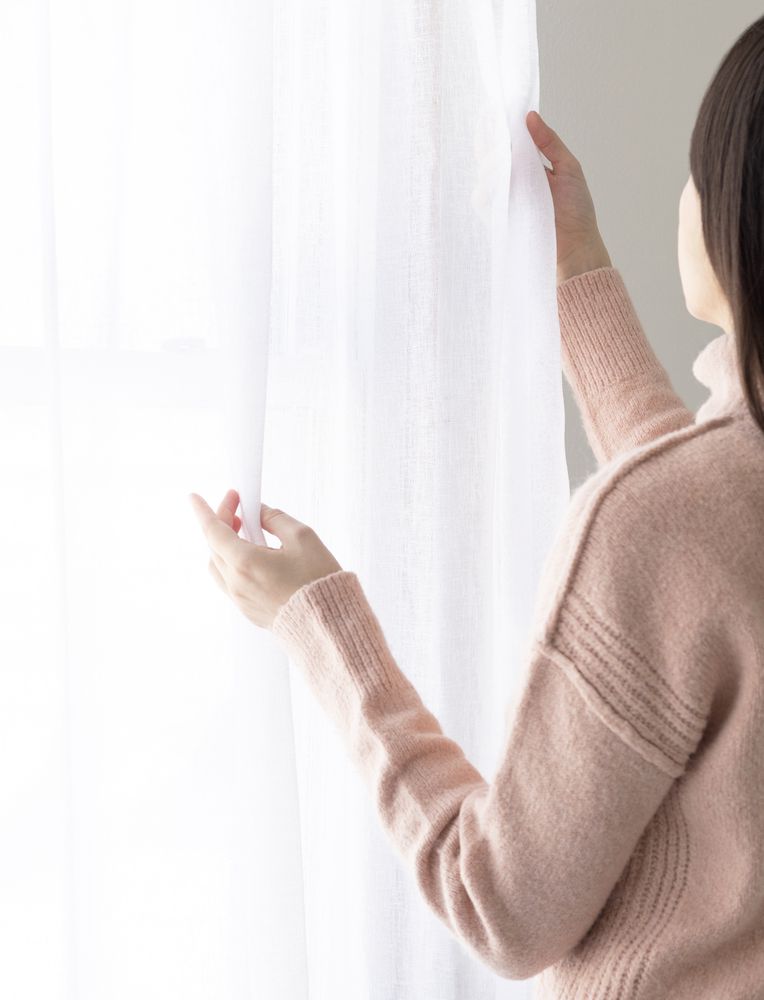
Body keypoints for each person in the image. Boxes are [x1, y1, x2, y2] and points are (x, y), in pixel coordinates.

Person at [189, 16, 764, 998]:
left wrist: (320, 620)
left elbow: (500, 906)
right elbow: (710, 530)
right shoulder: (705, 511)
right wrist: (577, 272)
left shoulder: (664, 524)